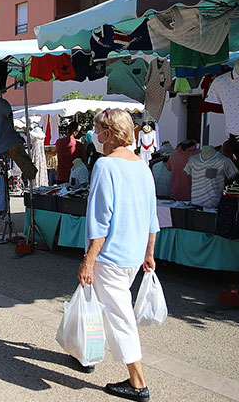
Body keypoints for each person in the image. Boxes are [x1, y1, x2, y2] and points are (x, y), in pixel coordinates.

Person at [78, 108, 157, 401]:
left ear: (108, 134)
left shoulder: (105, 166)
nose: (95, 136)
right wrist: (149, 253)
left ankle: (138, 382)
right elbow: (152, 217)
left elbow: (101, 219)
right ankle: (85, 352)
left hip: (110, 256)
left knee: (119, 317)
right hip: (134, 255)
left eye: (97, 130)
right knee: (100, 307)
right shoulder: (142, 167)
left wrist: (88, 259)